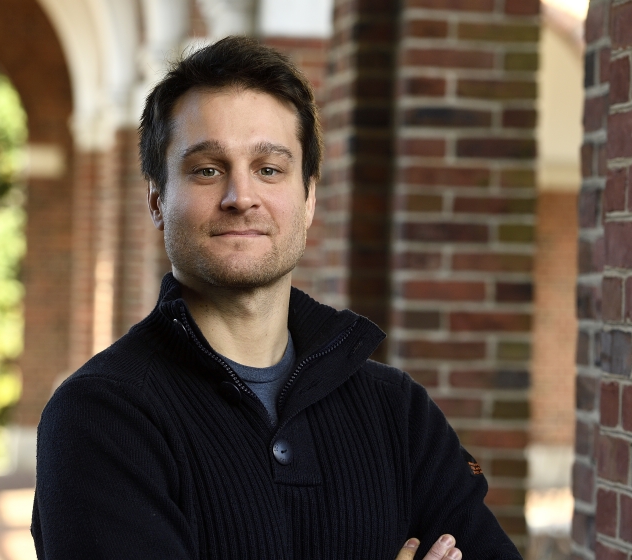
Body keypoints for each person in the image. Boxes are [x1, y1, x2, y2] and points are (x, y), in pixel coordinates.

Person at [31, 36, 522, 560]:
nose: (241, 197)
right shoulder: (101, 417)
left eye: (269, 169)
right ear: (157, 198)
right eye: (207, 169)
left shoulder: (397, 412)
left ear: (308, 197)